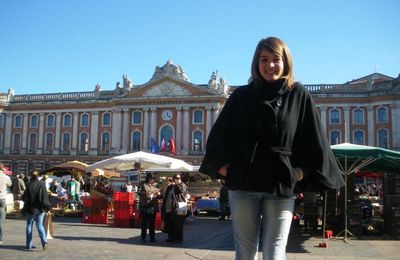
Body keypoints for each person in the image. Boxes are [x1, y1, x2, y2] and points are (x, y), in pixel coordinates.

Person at [199, 37, 345, 260]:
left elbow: (314, 142)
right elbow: (218, 138)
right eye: (263, 60)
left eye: (276, 59)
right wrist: (226, 170)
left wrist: (298, 173)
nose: (270, 65)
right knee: (244, 251)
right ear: (256, 64)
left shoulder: (298, 95)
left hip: (281, 182)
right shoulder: (241, 96)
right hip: (244, 184)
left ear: (285, 62)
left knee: (275, 250)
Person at [22, 170, 52, 251]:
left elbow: (24, 197)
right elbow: (45, 198)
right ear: (38, 176)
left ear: (31, 176)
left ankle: (29, 245)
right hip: (40, 209)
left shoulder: (28, 184)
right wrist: (48, 208)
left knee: (29, 226)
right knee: (40, 225)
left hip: (30, 209)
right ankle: (44, 242)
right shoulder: (41, 184)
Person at [161, 174, 190, 243]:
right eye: (177, 178)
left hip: (179, 207)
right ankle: (171, 237)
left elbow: (181, 191)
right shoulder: (170, 187)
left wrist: (178, 184)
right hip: (170, 207)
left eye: (179, 178)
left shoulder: (182, 185)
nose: (178, 179)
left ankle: (179, 238)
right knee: (170, 222)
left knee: (179, 223)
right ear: (174, 179)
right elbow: (166, 196)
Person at [138, 172, 160, 242]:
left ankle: (152, 238)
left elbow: (159, 195)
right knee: (144, 223)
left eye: (153, 179)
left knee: (152, 223)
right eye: (151, 178)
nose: (152, 180)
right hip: (145, 206)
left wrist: (159, 194)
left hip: (153, 206)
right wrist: (146, 193)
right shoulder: (142, 184)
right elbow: (138, 192)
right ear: (147, 178)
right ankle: (143, 237)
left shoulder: (156, 184)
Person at [0, 163, 12, 245]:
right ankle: (0, 239)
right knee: (1, 220)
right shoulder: (5, 177)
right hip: (2, 199)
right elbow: (10, 184)